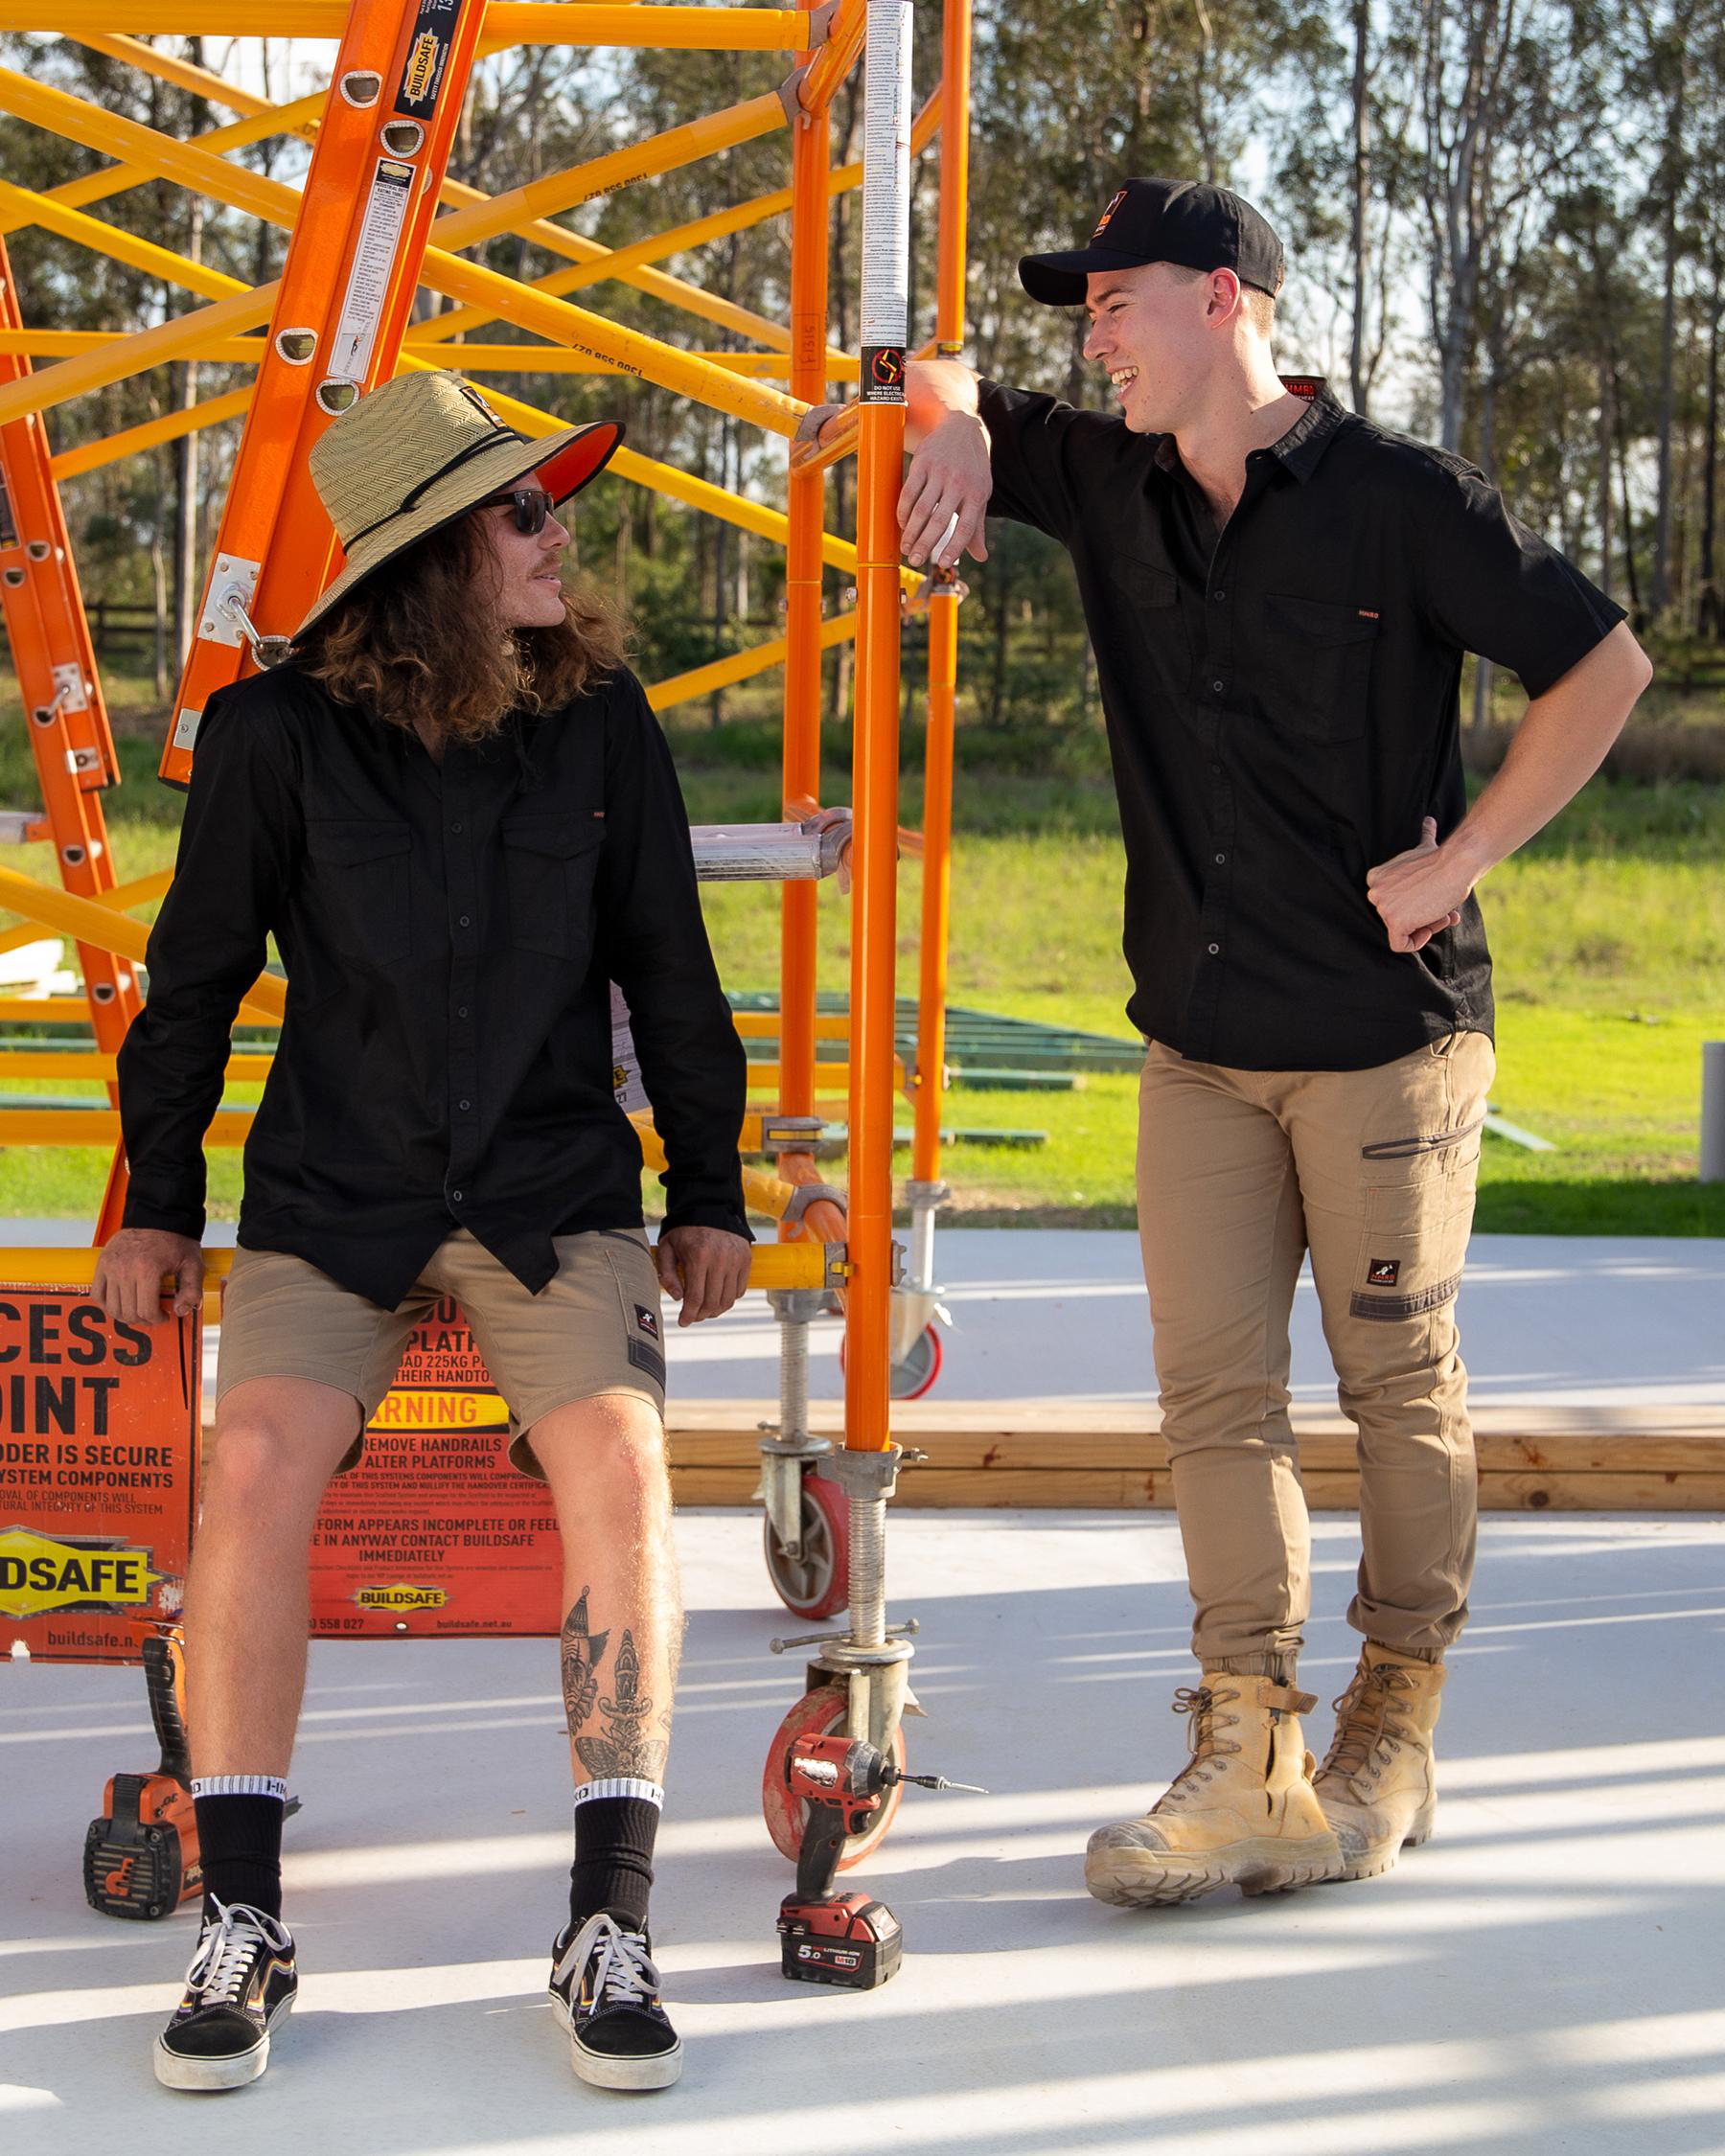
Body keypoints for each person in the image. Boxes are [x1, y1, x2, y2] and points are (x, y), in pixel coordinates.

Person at [814, 177, 1651, 1906]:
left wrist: (1464, 860)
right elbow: (949, 370)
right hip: (1197, 1043)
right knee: (1214, 1398)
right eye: (1085, 318)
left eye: (1115, 305)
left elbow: (1606, 670)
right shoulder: (1107, 475)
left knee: (1396, 1384)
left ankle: (1393, 1721)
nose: (1095, 342)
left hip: (1384, 1039)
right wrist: (953, 423)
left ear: (1223, 301)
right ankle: (1251, 1749)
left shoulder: (1405, 502)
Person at [93, 369, 752, 2091]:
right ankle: (244, 1915)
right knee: (251, 1460)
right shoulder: (273, 734)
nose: (558, 532)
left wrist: (709, 1188)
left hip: (551, 1187)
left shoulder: (604, 722)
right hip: (339, 1193)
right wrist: (155, 1202)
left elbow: (672, 969)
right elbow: (192, 985)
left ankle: (609, 1918)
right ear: (430, 555)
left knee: (623, 1464)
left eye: (550, 503)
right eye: (522, 510)